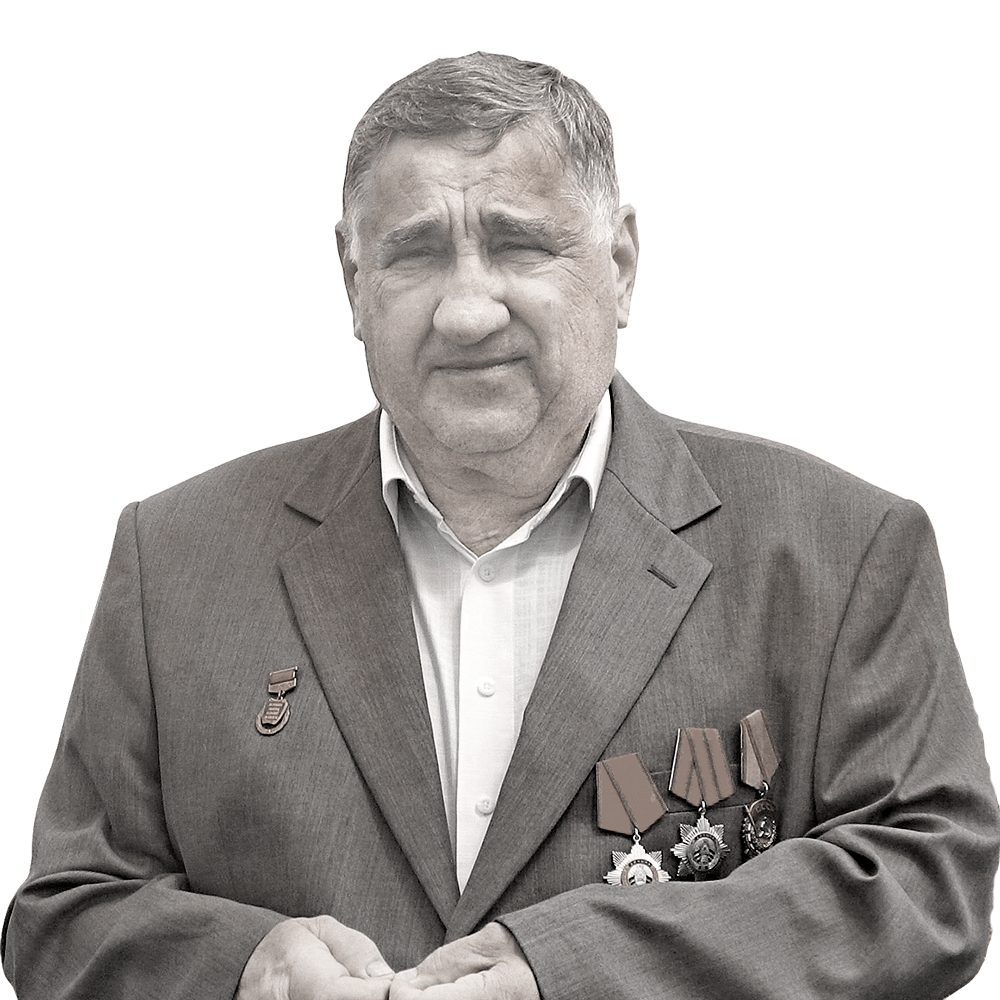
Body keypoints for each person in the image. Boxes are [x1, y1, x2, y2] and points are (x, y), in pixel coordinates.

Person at [5, 52, 997, 1000]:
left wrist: (571, 973)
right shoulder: (174, 560)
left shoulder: (840, 550)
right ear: (353, 285)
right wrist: (246, 970)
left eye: (519, 244)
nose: (468, 312)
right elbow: (63, 919)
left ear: (622, 262)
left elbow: (928, 877)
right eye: (415, 253)